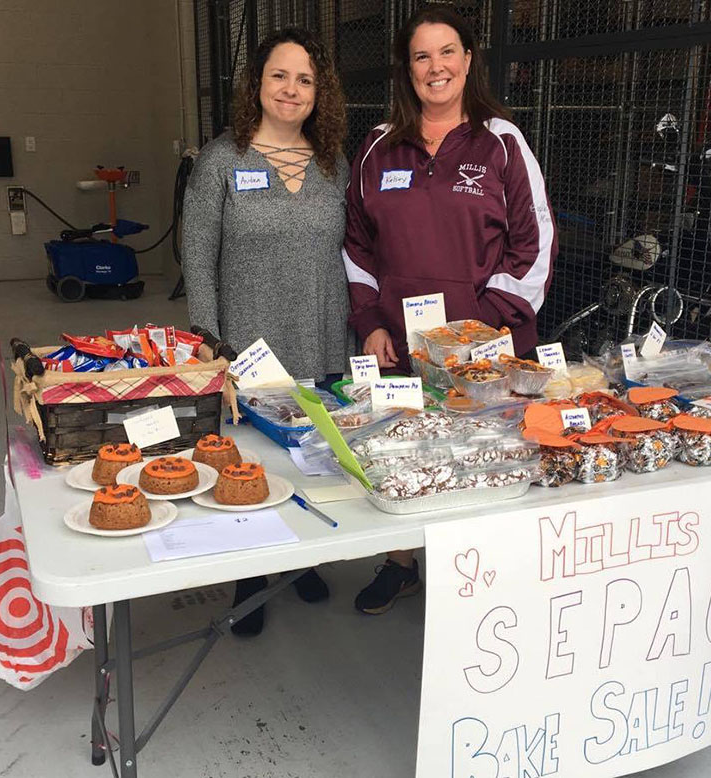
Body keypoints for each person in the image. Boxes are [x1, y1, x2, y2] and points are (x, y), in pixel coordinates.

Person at [343, 6, 557, 615]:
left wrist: (482, 328)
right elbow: (357, 245)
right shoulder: (379, 147)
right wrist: (371, 322)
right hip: (399, 350)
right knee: (408, 453)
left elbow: (533, 244)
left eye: (446, 53)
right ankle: (401, 565)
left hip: (484, 349)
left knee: (485, 455)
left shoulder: (502, 142)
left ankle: (482, 586)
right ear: (406, 69)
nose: (435, 67)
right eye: (420, 56)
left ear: (468, 60)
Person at [182, 28, 351, 634]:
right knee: (249, 461)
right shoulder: (223, 160)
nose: (291, 89)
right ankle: (250, 576)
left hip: (322, 334)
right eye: (280, 75)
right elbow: (197, 257)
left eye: (305, 79)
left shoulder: (334, 164)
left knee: (310, 454)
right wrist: (210, 346)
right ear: (256, 83)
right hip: (248, 347)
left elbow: (350, 254)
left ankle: (299, 559)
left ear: (318, 93)